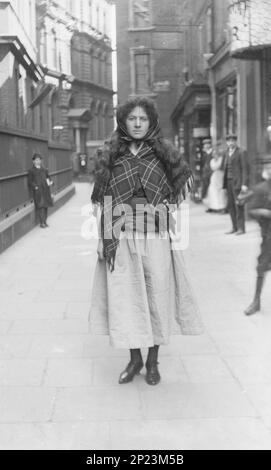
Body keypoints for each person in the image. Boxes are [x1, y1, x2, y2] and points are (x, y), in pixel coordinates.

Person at [89, 96, 203, 386]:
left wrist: (162, 209)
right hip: (122, 237)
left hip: (155, 237)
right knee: (126, 300)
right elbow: (105, 199)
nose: (137, 124)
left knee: (156, 297)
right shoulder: (110, 154)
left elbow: (177, 190)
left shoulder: (165, 153)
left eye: (143, 119)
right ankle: (134, 359)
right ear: (123, 121)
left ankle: (152, 361)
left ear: (151, 121)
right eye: (132, 119)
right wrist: (106, 234)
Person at [239, 156, 271, 315]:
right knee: (261, 268)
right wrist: (263, 212)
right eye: (269, 168)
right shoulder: (262, 189)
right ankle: (256, 301)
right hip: (269, 239)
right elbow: (251, 210)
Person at [222, 134, 249, 235]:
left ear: (236, 142)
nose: (230, 143)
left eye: (232, 141)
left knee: (239, 205)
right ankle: (234, 227)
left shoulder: (241, 152)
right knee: (231, 206)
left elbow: (245, 169)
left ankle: (241, 228)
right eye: (229, 141)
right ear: (227, 142)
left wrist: (244, 184)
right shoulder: (226, 153)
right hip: (228, 182)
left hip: (237, 182)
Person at [27, 153, 53, 228]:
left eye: (39, 160)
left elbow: (48, 178)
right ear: (33, 161)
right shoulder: (31, 170)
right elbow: (30, 181)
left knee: (46, 206)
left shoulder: (44, 169)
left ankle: (45, 221)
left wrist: (50, 182)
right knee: (40, 206)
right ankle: (41, 223)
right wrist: (35, 187)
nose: (38, 161)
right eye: (36, 160)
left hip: (46, 190)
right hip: (38, 191)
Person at [203, 146, 227, 213]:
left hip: (220, 175)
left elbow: (218, 166)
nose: (214, 155)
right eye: (213, 154)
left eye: (215, 154)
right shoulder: (212, 160)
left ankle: (221, 207)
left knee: (220, 191)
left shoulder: (221, 159)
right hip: (214, 176)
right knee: (212, 191)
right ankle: (213, 206)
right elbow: (213, 167)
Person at [201, 138, 213, 207]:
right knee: (206, 188)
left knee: (211, 189)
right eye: (205, 145)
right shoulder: (205, 154)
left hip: (211, 174)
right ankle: (209, 204)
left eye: (207, 144)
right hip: (205, 174)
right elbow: (203, 163)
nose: (206, 146)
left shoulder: (212, 153)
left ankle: (211, 204)